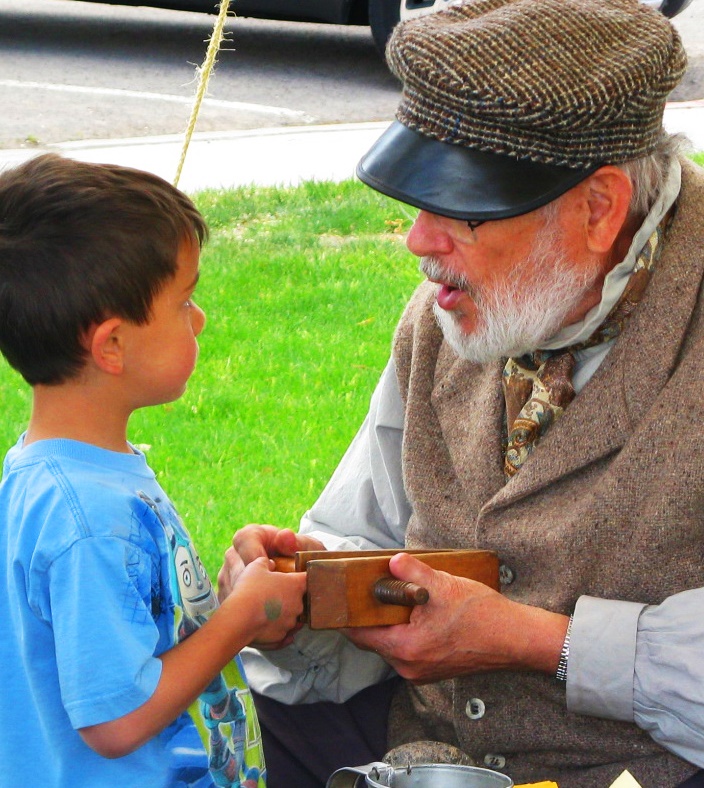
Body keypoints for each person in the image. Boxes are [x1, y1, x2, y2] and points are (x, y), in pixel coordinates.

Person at [220, 0, 704, 786]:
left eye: (464, 209)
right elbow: (356, 531)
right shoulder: (449, 317)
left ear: (599, 208)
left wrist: (535, 640)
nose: (419, 239)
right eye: (419, 198)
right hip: (436, 754)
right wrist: (302, 595)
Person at [0, 154, 307, 788]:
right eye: (184, 301)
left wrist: (233, 597)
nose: (200, 320)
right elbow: (117, 719)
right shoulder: (88, 517)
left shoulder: (63, 473)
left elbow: (131, 643)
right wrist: (239, 620)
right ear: (111, 345)